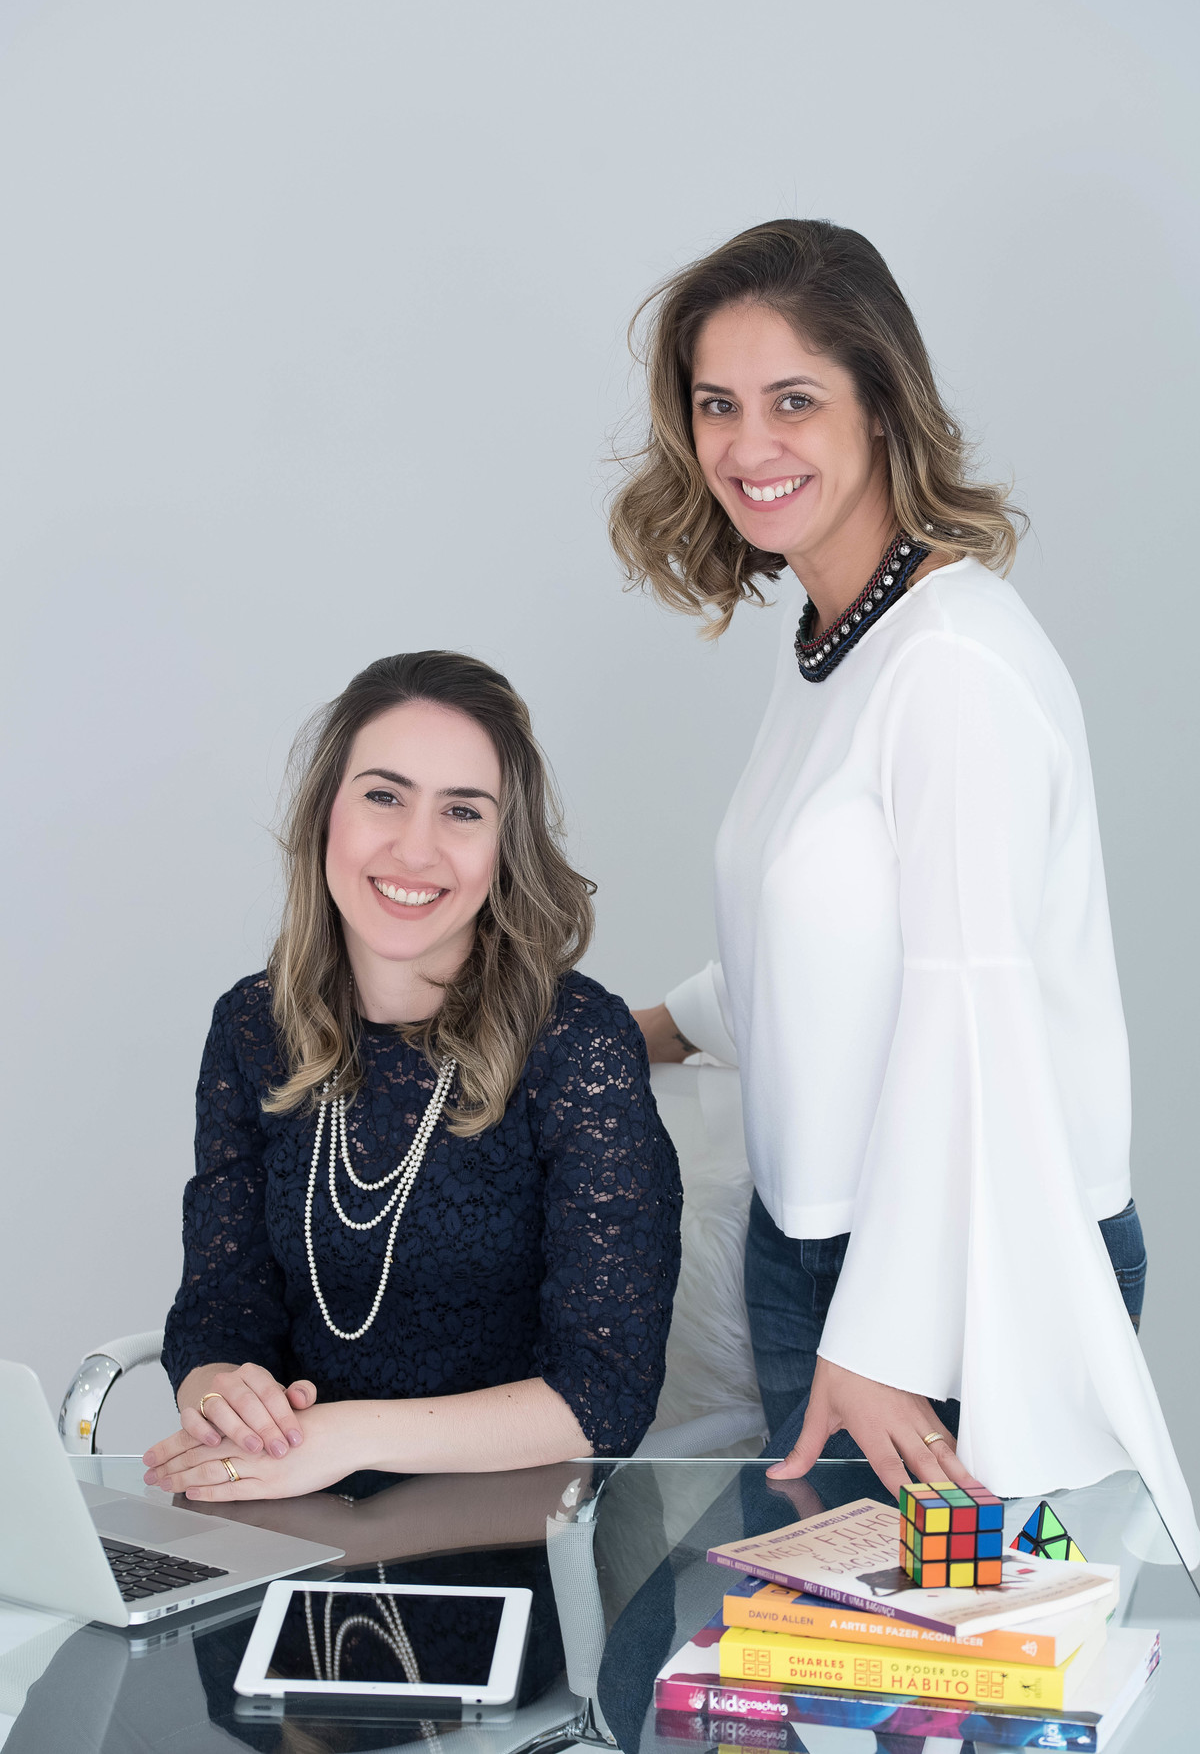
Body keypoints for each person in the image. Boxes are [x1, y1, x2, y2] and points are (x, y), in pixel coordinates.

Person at [610, 218, 1199, 1560]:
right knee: (832, 1662)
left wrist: (881, 1341)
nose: (748, 445)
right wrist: (643, 1030)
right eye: (716, 404)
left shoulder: (949, 664)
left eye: (794, 400)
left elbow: (968, 1016)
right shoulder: (834, 631)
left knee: (953, 1671)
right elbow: (833, 938)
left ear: (881, 405)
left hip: (956, 1275)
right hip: (815, 1254)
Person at [143, 651, 681, 1502]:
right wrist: (220, 1393)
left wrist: (344, 1438)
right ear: (327, 813)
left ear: (503, 848)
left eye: (462, 811)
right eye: (384, 796)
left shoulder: (577, 1042)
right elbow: (222, 1303)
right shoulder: (252, 1026)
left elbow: (604, 1392)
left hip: (509, 1526)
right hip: (287, 1504)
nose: (416, 847)